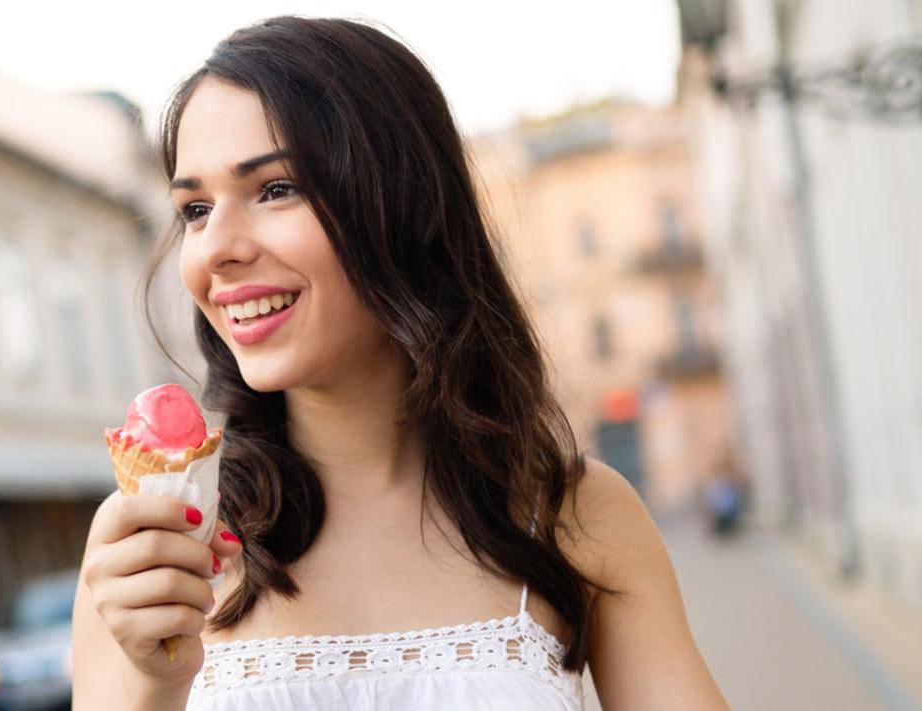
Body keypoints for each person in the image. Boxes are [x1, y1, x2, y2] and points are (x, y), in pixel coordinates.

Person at [71, 17, 729, 710]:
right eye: (196, 209)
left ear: (402, 204)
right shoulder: (153, 547)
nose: (214, 250)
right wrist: (152, 683)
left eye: (275, 189)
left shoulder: (575, 513)